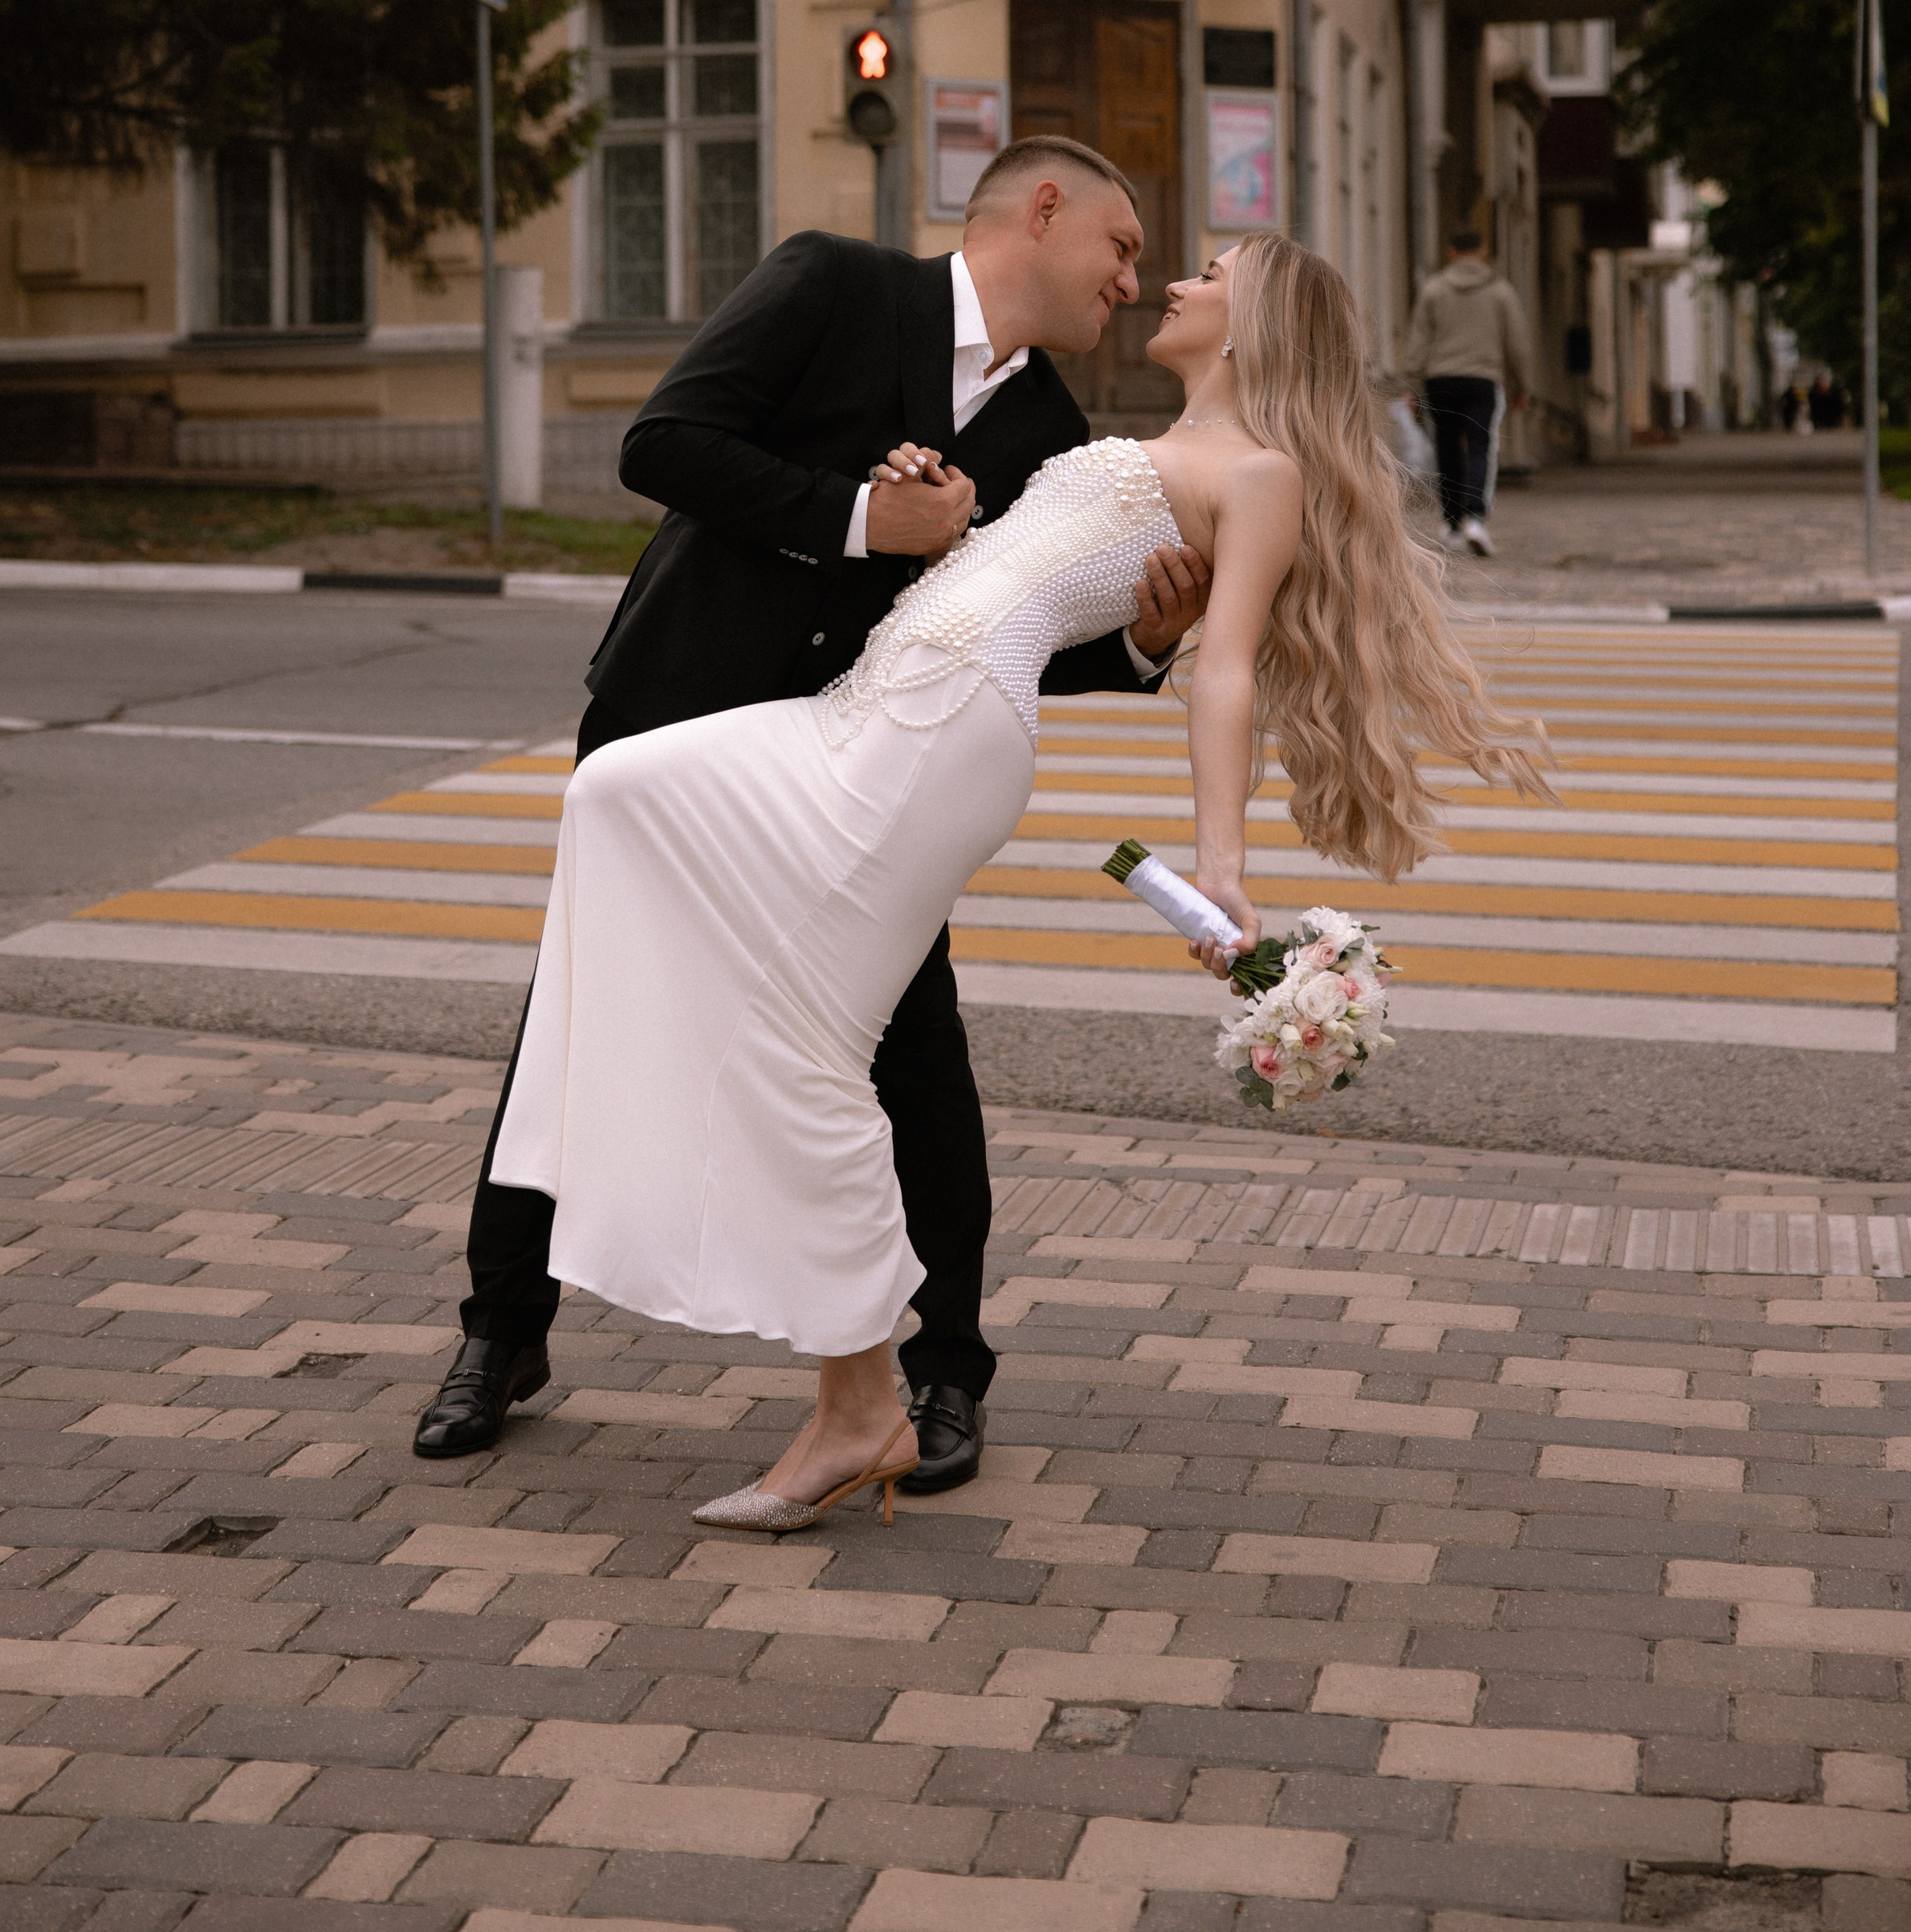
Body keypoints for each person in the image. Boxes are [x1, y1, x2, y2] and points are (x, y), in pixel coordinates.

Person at [465, 230, 1550, 1535]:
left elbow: (1225, 669)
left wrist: (1218, 858)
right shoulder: (1086, 428)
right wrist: (924, 499)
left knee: (805, 1051)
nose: (1172, 280)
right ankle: (831, 1380)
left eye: (1210, 270)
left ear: (1262, 321)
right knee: (618, 793)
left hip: (947, 732)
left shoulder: (1257, 472)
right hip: (873, 700)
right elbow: (999, 560)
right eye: (1156, 253)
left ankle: (868, 1393)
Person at [412, 137, 1212, 1481]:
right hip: (680, 720)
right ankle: (503, 1330)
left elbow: (1007, 632)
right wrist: (857, 518)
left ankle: (942, 1369)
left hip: (858, 785)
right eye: (1122, 249)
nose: (1131, 282)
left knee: (913, 1055)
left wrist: (1138, 641)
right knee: (580, 1016)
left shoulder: (1053, 439)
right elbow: (663, 444)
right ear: (1044, 209)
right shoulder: (836, 285)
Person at [1403, 227, 1534, 557]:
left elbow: (1418, 341)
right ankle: (1474, 517)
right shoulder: (1501, 292)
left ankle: (1450, 522)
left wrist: (1410, 385)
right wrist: (1522, 386)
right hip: (1482, 379)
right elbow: (1517, 344)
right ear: (1483, 251)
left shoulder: (1433, 290)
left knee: (1447, 448)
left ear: (1450, 252)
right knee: (1479, 446)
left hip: (1440, 379)